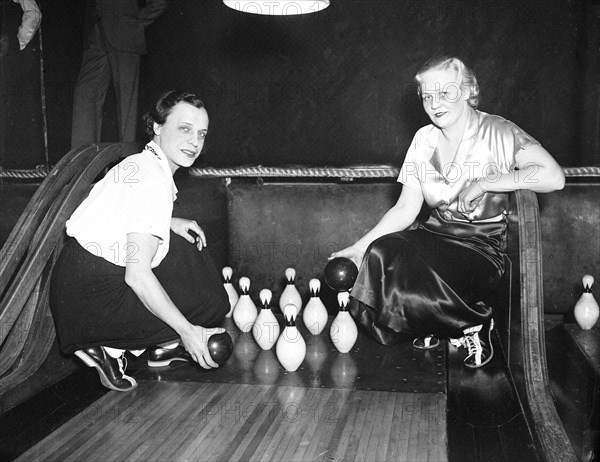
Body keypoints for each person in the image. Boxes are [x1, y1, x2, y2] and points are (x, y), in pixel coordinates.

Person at [331, 57, 565, 368]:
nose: (434, 103)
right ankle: (439, 322)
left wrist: (486, 182)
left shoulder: (500, 131)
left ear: (470, 90)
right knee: (380, 254)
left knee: (419, 273)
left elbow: (554, 177)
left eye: (445, 93)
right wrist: (358, 248)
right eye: (427, 96)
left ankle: (473, 323)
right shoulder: (422, 140)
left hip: (480, 247)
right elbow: (405, 208)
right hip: (434, 236)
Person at [50, 90, 229, 391]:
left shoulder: (140, 162)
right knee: (212, 303)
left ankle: (160, 349)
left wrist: (168, 222)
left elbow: (112, 209)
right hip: (93, 304)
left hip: (75, 281)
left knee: (189, 258)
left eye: (201, 133)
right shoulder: (153, 182)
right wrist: (187, 332)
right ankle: (107, 347)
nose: (195, 142)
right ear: (158, 127)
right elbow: (138, 275)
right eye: (184, 129)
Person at [70, 0, 168, 150]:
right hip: (95, 34)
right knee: (84, 94)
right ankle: (82, 158)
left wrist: (133, 24)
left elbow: (159, 3)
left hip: (124, 33)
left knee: (126, 102)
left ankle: (127, 161)